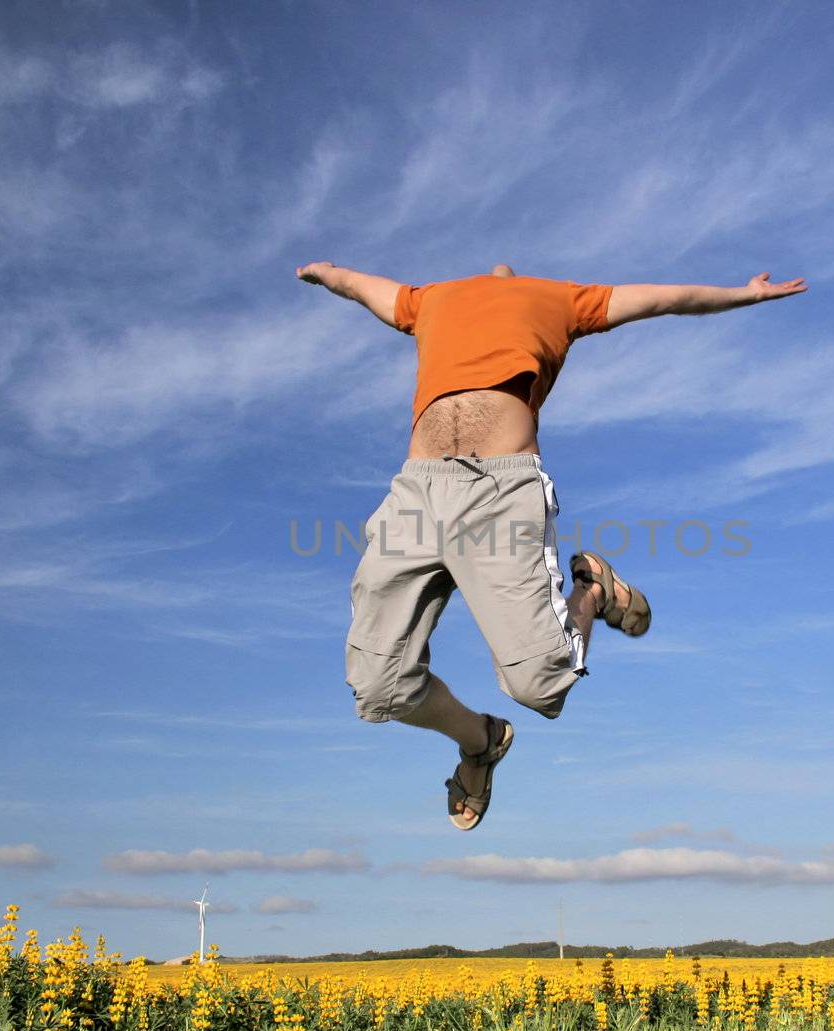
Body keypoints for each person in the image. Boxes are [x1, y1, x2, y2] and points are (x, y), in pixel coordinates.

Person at [297, 261, 807, 829]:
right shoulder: (432, 299)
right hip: (415, 493)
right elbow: (366, 289)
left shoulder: (558, 298)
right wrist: (329, 272)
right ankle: (480, 741)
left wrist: (742, 293)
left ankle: (592, 592)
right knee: (377, 689)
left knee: (541, 687)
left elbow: (664, 296)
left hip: (498, 490)